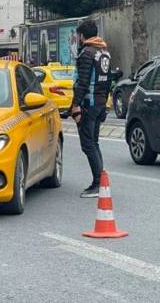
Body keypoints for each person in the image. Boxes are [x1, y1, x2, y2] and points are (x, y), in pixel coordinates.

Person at [70, 20, 111, 198]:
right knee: (94, 143)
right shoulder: (104, 52)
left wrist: (75, 105)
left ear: (82, 35)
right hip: (100, 103)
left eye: (78, 35)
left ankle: (97, 184)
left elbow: (83, 82)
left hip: (89, 104)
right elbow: (108, 80)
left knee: (88, 145)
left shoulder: (87, 53)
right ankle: (101, 181)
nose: (78, 39)